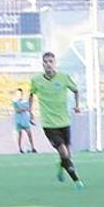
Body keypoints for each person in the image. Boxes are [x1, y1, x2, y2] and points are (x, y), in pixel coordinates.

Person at [29, 52, 84, 188]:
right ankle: (77, 181)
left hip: (64, 121)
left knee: (67, 154)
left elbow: (76, 90)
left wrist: (77, 106)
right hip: (49, 124)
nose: (48, 64)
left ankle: (61, 166)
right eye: (46, 62)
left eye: (51, 61)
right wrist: (30, 112)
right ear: (42, 64)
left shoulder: (63, 78)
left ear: (55, 63)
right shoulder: (36, 80)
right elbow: (31, 94)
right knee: (64, 152)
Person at [12, 87, 37, 154]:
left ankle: (33, 147)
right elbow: (17, 110)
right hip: (18, 120)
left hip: (25, 120)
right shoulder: (15, 102)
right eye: (18, 94)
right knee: (20, 134)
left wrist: (31, 118)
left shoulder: (25, 102)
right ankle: (20, 148)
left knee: (29, 134)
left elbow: (29, 108)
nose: (19, 95)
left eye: (20, 94)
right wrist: (23, 109)